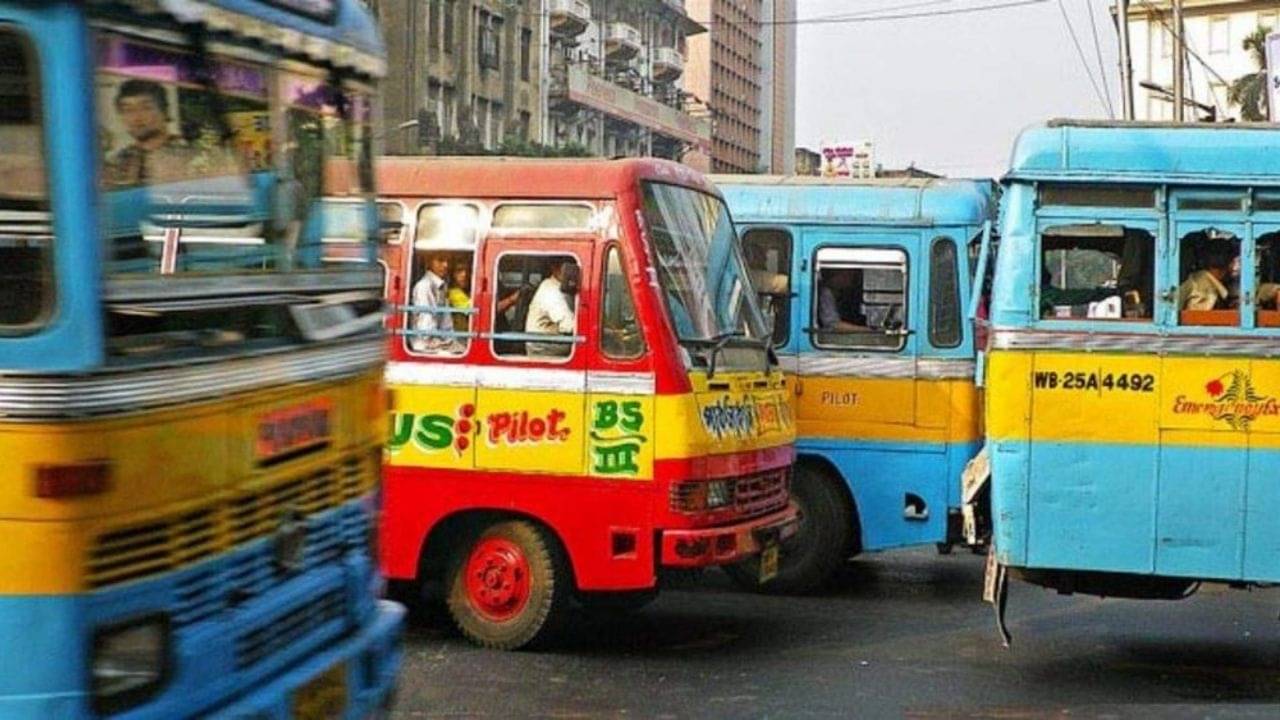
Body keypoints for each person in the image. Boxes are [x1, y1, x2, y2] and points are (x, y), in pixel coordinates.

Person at [103, 79, 193, 187]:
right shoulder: (116, 163)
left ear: (165, 111)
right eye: (128, 110)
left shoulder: (192, 157)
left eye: (146, 108)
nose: (136, 117)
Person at [525, 259, 577, 357]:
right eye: (568, 268)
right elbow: (569, 325)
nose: (572, 273)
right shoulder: (550, 290)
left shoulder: (565, 288)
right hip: (544, 351)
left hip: (555, 344)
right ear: (555, 268)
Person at [411, 252, 455, 353]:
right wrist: (436, 340)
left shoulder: (441, 286)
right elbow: (425, 322)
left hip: (439, 341)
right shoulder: (424, 286)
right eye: (440, 260)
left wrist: (449, 339)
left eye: (448, 261)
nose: (445, 265)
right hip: (424, 345)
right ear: (429, 262)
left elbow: (445, 319)